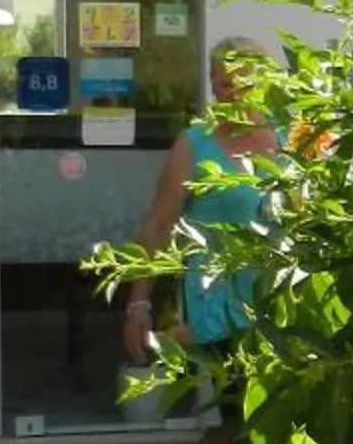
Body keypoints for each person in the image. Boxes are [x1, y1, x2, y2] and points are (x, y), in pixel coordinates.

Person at [120, 40, 280, 409]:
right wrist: (138, 305)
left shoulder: (292, 139)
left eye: (246, 83)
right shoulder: (195, 144)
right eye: (225, 84)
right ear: (212, 85)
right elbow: (158, 226)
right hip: (219, 304)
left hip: (281, 301)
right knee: (239, 417)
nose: (235, 94)